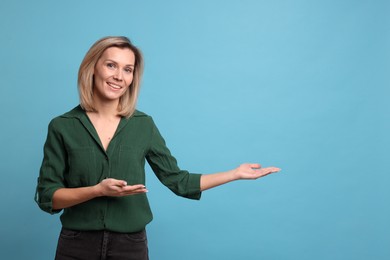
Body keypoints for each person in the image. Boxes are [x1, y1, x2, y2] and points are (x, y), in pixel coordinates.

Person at [35, 36, 280, 260]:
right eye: (111, 65)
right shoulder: (62, 126)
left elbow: (179, 181)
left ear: (133, 78)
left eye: (127, 69)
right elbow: (49, 197)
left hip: (129, 245)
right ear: (93, 68)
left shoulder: (143, 125)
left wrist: (235, 174)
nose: (119, 76)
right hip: (76, 244)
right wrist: (97, 191)